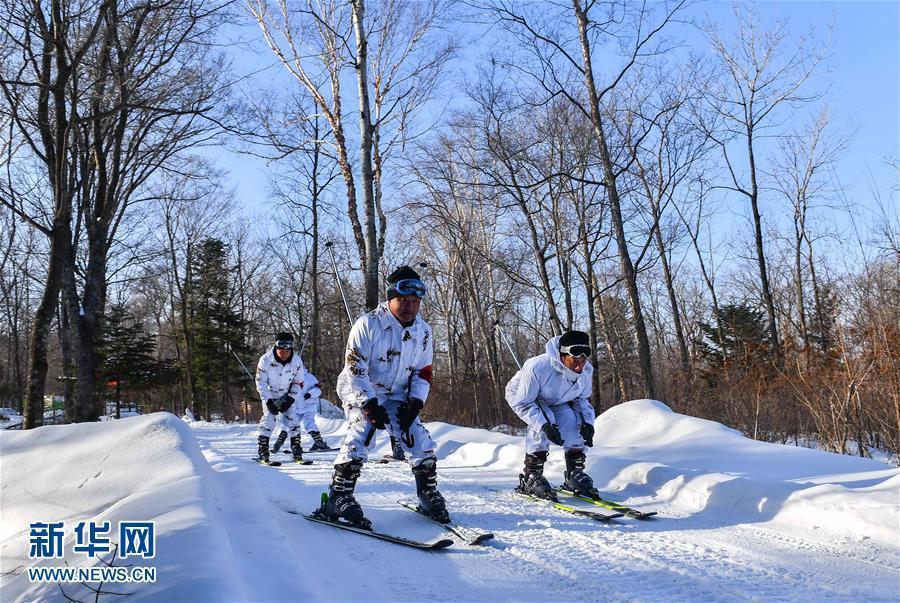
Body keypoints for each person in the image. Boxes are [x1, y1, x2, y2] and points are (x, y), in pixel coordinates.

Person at [320, 266, 447, 529]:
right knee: (360, 434)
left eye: (415, 302)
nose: (410, 307)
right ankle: (339, 496)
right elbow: (355, 368)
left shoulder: (423, 332)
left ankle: (427, 493)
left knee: (419, 440)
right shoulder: (369, 324)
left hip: (399, 395)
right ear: (390, 299)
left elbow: (424, 371)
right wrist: (368, 403)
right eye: (403, 301)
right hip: (362, 391)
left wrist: (416, 402)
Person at [505, 330, 598, 502]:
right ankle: (532, 476)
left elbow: (581, 399)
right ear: (562, 356)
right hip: (526, 396)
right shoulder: (537, 367)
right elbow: (523, 403)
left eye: (583, 361)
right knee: (541, 425)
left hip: (558, 399)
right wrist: (545, 426)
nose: (579, 367)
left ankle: (574, 474)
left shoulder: (586, 371)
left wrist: (587, 423)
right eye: (574, 361)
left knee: (573, 423)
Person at [255, 332, 307, 464]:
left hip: (287, 394)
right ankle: (263, 451)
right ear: (275, 346)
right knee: (268, 420)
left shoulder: (297, 361)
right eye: (281, 347)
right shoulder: (265, 360)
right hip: (270, 394)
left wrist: (290, 399)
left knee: (293, 421)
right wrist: (268, 401)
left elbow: (298, 382)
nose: (284, 351)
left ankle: (296, 451)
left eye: (288, 347)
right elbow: (261, 383)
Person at [271, 369, 330, 453]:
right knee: (288, 424)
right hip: (295, 407)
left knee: (309, 423)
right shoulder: (289, 378)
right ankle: (278, 443)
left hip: (308, 406)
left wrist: (310, 394)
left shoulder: (310, 377)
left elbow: (318, 390)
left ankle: (319, 442)